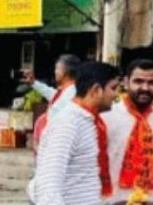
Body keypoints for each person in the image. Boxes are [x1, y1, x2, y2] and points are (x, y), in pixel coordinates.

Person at [28, 61, 120, 205]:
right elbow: (48, 187)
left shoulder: (87, 120)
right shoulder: (69, 123)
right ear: (96, 90)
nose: (116, 95)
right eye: (113, 88)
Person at [103, 59, 153, 204]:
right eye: (138, 81)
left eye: (151, 83)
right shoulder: (107, 117)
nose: (145, 88)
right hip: (115, 200)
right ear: (126, 83)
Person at [25, 53, 80, 151]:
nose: (55, 72)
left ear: (65, 72)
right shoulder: (65, 91)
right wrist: (34, 83)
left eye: (57, 69)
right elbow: (51, 94)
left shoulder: (71, 93)